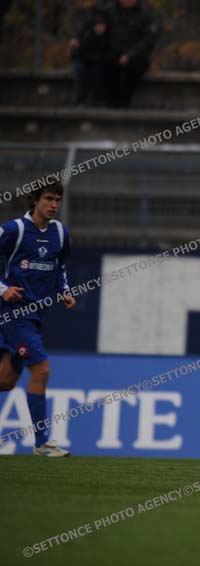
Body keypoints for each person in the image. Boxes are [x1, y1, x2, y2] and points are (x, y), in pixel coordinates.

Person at [0, 179, 76, 457]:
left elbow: (60, 266)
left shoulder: (60, 233)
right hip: (13, 314)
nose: (54, 205)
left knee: (6, 380)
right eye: (48, 199)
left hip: (35, 316)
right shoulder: (14, 230)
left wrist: (64, 290)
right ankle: (42, 443)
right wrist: (3, 289)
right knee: (41, 371)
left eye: (58, 200)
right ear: (34, 200)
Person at [106, 0, 160, 108]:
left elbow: (149, 40)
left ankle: (124, 102)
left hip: (136, 57)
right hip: (114, 55)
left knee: (133, 71)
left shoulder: (145, 14)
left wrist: (130, 55)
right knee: (105, 67)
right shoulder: (110, 13)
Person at [69, 8, 112, 106]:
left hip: (96, 62)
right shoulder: (87, 35)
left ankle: (96, 99)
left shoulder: (107, 37)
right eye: (98, 26)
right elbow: (79, 53)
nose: (100, 28)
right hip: (83, 60)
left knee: (98, 71)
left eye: (102, 26)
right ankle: (79, 100)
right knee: (80, 71)